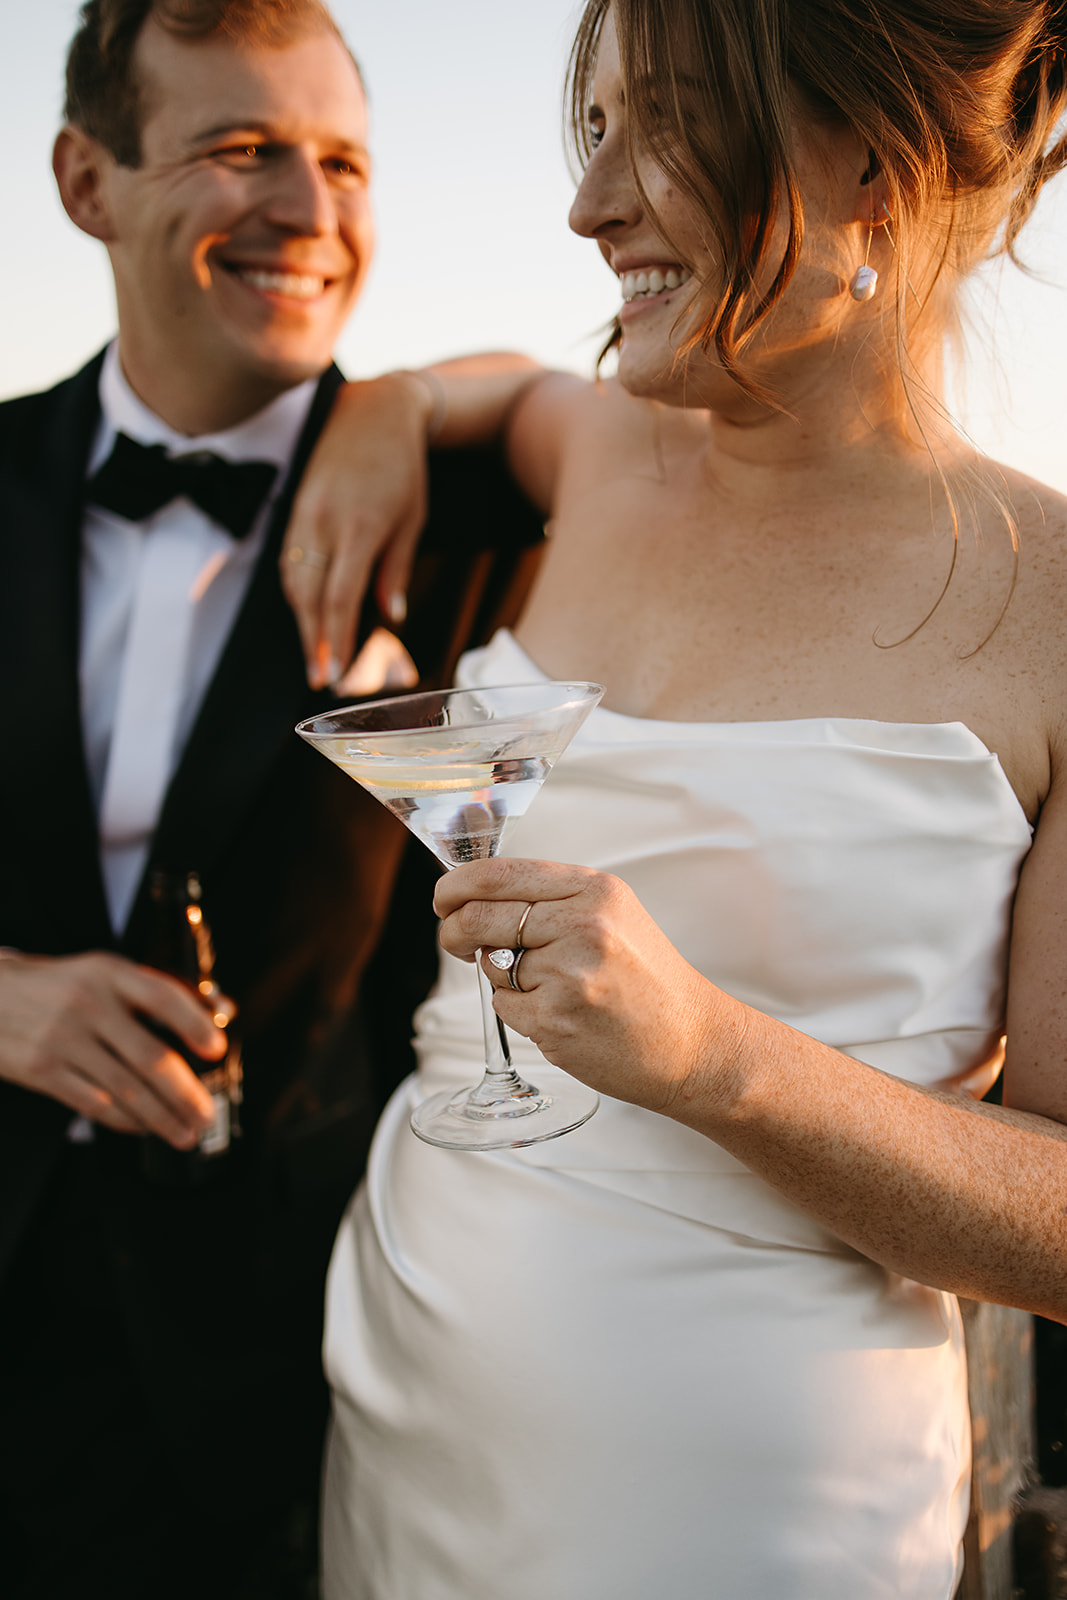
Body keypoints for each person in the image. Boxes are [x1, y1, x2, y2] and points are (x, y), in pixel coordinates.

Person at [281, 1, 1067, 1596]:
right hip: (398, 1409)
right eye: (598, 127)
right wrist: (390, 410)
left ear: (872, 164)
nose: (590, 203)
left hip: (743, 1516)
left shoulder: (1051, 609)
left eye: (670, 126)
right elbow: (497, 392)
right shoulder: (603, 449)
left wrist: (713, 1058)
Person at [0, 3, 542, 1596]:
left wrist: (412, 401)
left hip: (314, 1364)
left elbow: (661, 433)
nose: (307, 213)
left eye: (342, 161)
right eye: (241, 151)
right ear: (87, 183)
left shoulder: (472, 518)